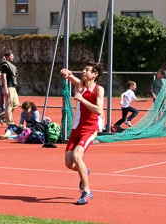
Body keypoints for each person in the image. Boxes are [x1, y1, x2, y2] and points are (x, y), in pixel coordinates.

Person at [60, 61, 104, 205]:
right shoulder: (80, 86)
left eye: (87, 70)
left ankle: (87, 191)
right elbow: (72, 77)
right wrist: (67, 73)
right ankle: (84, 170)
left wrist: (82, 99)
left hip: (90, 128)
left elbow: (99, 110)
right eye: (83, 70)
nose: (84, 72)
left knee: (77, 156)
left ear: (95, 74)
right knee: (68, 163)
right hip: (76, 128)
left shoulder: (99, 89)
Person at [0, 51, 19, 125]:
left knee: (16, 103)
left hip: (13, 87)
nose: (13, 57)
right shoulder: (5, 65)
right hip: (8, 87)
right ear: (7, 57)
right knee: (9, 106)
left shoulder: (11, 65)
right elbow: (4, 77)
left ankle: (2, 115)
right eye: (11, 56)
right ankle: (10, 123)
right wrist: (6, 89)